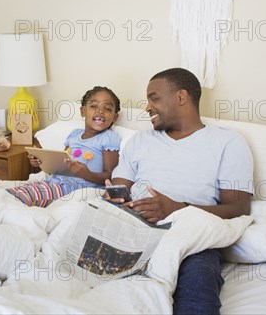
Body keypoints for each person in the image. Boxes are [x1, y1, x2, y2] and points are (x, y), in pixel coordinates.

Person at [107, 68, 253, 315]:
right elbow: (119, 188)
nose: (148, 107)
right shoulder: (140, 141)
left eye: (154, 98)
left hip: (193, 239)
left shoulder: (228, 142)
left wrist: (178, 209)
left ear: (181, 97)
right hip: (135, 229)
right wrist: (114, 198)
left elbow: (238, 209)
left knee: (198, 289)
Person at [7, 86, 121, 207]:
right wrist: (41, 161)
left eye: (107, 109)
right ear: (83, 111)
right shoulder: (74, 134)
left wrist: (87, 174)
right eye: (94, 106)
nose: (100, 111)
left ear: (114, 118)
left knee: (19, 199)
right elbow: (61, 164)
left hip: (75, 189)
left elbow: (110, 176)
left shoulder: (108, 138)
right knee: (8, 195)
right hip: (54, 182)